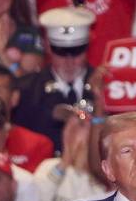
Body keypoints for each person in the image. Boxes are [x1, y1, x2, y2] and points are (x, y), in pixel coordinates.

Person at [14, 10, 96, 153]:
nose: (69, 61)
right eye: (61, 52)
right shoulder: (26, 90)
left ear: (88, 46)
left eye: (77, 51)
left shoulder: (107, 87)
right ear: (47, 47)